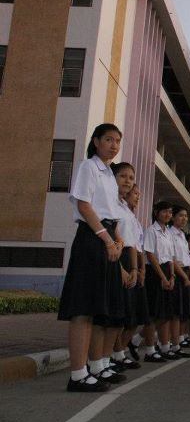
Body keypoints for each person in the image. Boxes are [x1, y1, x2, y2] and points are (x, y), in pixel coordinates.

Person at [58, 124, 125, 392]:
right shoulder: (89, 166)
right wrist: (107, 239)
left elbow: (110, 213)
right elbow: (84, 205)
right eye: (108, 139)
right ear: (96, 141)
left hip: (106, 238)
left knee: (99, 309)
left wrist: (117, 239)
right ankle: (77, 374)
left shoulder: (109, 173)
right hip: (92, 239)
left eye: (118, 140)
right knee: (83, 309)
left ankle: (95, 367)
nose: (114, 145)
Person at [109, 164, 142, 373]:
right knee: (115, 315)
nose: (128, 182)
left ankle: (116, 354)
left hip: (128, 261)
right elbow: (113, 236)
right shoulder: (113, 205)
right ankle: (111, 357)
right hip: (114, 257)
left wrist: (136, 270)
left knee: (127, 315)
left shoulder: (128, 213)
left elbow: (131, 245)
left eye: (131, 178)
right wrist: (121, 268)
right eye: (123, 176)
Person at [143, 201, 179, 362]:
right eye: (164, 211)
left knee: (165, 313)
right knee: (153, 313)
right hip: (154, 272)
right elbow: (150, 255)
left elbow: (171, 258)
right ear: (156, 212)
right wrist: (163, 278)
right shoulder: (151, 230)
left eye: (170, 212)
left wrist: (171, 276)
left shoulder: (168, 233)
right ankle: (150, 350)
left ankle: (139, 340)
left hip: (167, 271)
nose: (168, 215)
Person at [169, 206, 190, 356]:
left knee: (182, 312)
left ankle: (175, 344)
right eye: (180, 215)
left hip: (185, 273)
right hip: (177, 273)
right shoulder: (170, 233)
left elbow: (186, 258)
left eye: (186, 216)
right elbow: (173, 260)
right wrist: (185, 277)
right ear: (173, 217)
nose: (184, 218)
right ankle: (173, 345)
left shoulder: (182, 235)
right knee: (175, 313)